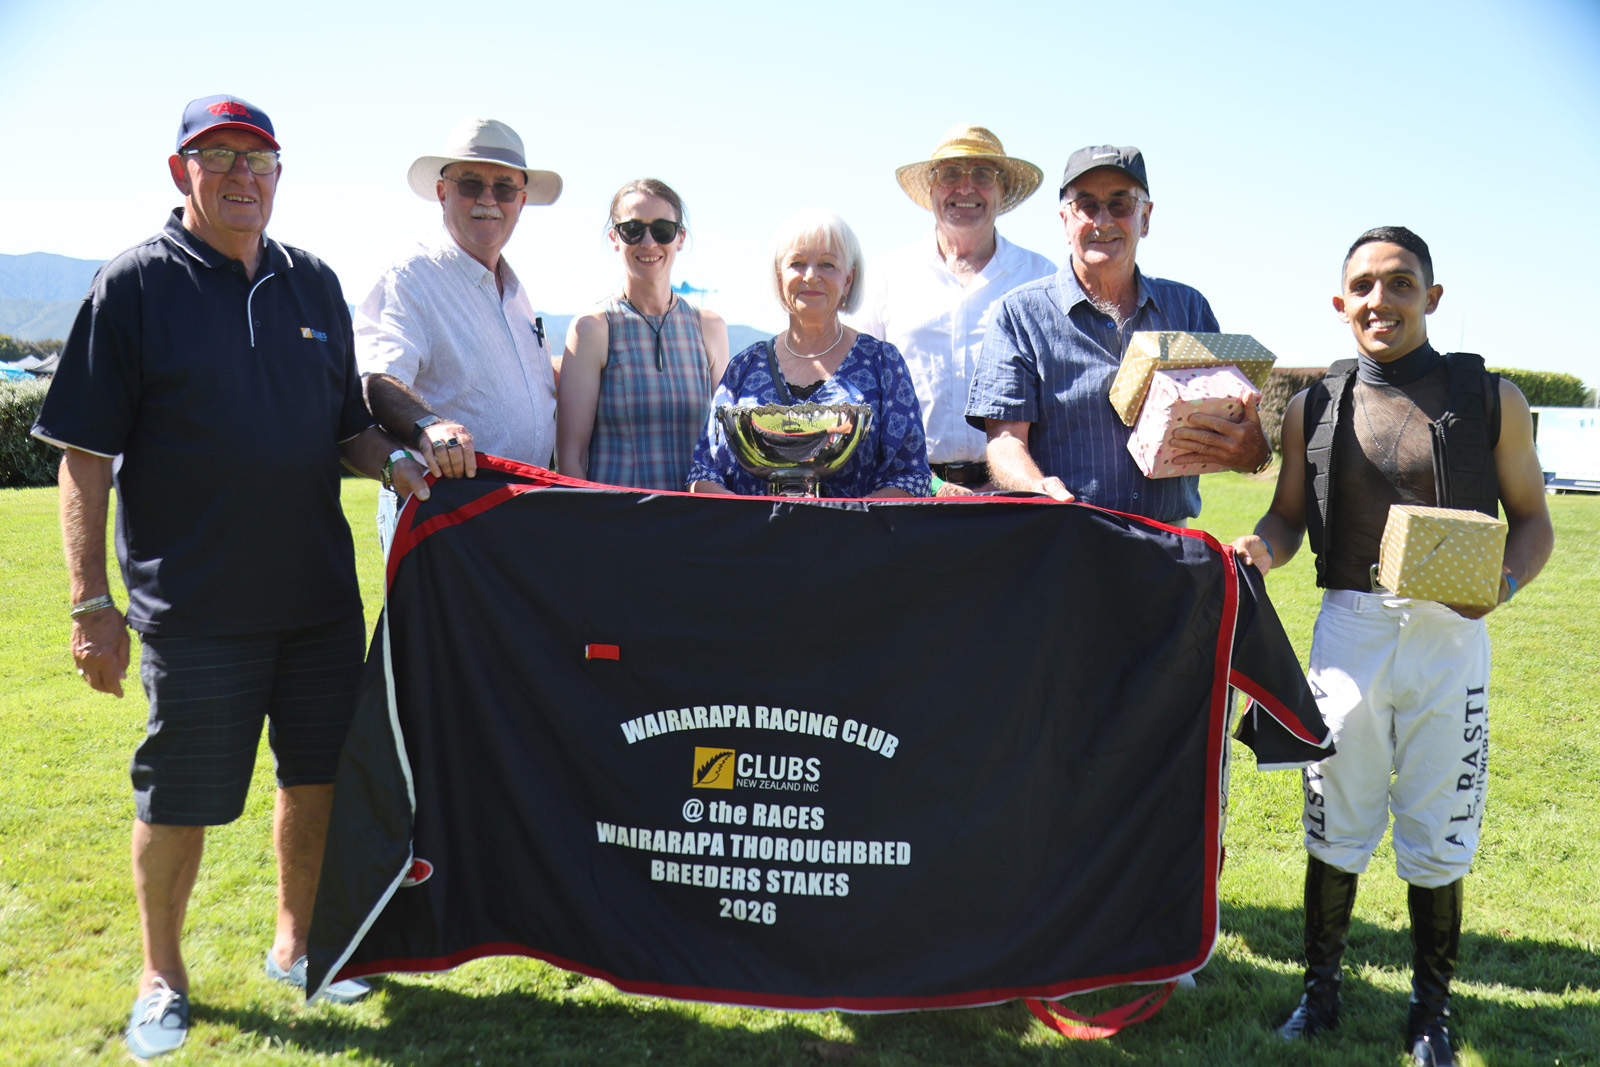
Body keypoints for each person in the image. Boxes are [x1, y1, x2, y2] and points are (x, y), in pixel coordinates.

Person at [29, 94, 429, 1059]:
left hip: (317, 600)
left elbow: (345, 429)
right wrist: (91, 603)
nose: (243, 175)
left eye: (260, 159)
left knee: (319, 776)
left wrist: (398, 460)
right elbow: (83, 456)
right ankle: (160, 976)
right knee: (181, 797)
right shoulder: (130, 286)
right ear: (182, 174)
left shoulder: (314, 284)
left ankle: (298, 947)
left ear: (281, 176)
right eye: (220, 158)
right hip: (194, 606)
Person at [1231, 227, 1554, 1067]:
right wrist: (1262, 546)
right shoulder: (1316, 405)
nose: (1382, 300)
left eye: (1402, 283)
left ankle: (1430, 1011)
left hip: (1452, 637)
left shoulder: (1492, 398)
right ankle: (1320, 994)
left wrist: (1502, 588)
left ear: (1432, 297)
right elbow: (1289, 517)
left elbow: (1535, 522)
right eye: (1365, 286)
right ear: (1341, 304)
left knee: (1439, 825)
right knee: (1335, 818)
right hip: (1350, 628)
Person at [966, 145, 1271, 522]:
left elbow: (1233, 426)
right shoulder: (1021, 315)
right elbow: (1005, 439)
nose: (1103, 220)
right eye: (1087, 205)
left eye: (1121, 204)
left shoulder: (1189, 308)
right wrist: (1035, 485)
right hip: (1067, 539)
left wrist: (1254, 452)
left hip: (1169, 548)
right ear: (1065, 220)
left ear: (1146, 218)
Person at [356, 116, 562, 549]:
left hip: (517, 516)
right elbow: (377, 381)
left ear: (521, 201)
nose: (489, 199)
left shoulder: (516, 291)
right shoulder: (409, 276)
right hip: (445, 517)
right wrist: (430, 427)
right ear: (442, 192)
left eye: (504, 188)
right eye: (471, 184)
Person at [851, 125, 1055, 495]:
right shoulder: (886, 277)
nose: (965, 188)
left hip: (1012, 496)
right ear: (931, 189)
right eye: (949, 174)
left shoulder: (1041, 278)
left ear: (1002, 190)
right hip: (908, 493)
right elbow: (859, 393)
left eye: (982, 174)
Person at [687, 209, 930, 498]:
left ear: (848, 280)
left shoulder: (883, 364)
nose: (811, 276)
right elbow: (704, 472)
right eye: (797, 263)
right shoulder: (744, 367)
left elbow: (911, 476)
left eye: (827, 264)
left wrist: (844, 525)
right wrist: (749, 520)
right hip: (757, 540)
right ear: (779, 278)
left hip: (856, 540)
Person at [555, 179, 730, 489]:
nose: (648, 242)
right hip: (620, 527)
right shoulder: (592, 329)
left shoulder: (709, 328)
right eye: (633, 229)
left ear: (680, 238)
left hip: (699, 527)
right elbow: (571, 458)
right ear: (614, 237)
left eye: (662, 229)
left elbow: (725, 447)